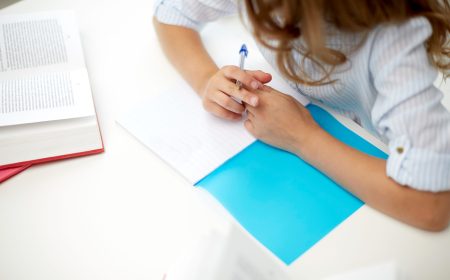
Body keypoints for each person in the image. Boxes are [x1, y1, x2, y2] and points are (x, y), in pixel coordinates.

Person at [153, 0, 450, 231]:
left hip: (377, 166)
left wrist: (302, 137)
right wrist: (206, 80)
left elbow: (432, 204)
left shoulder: (392, 38)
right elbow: (172, 14)